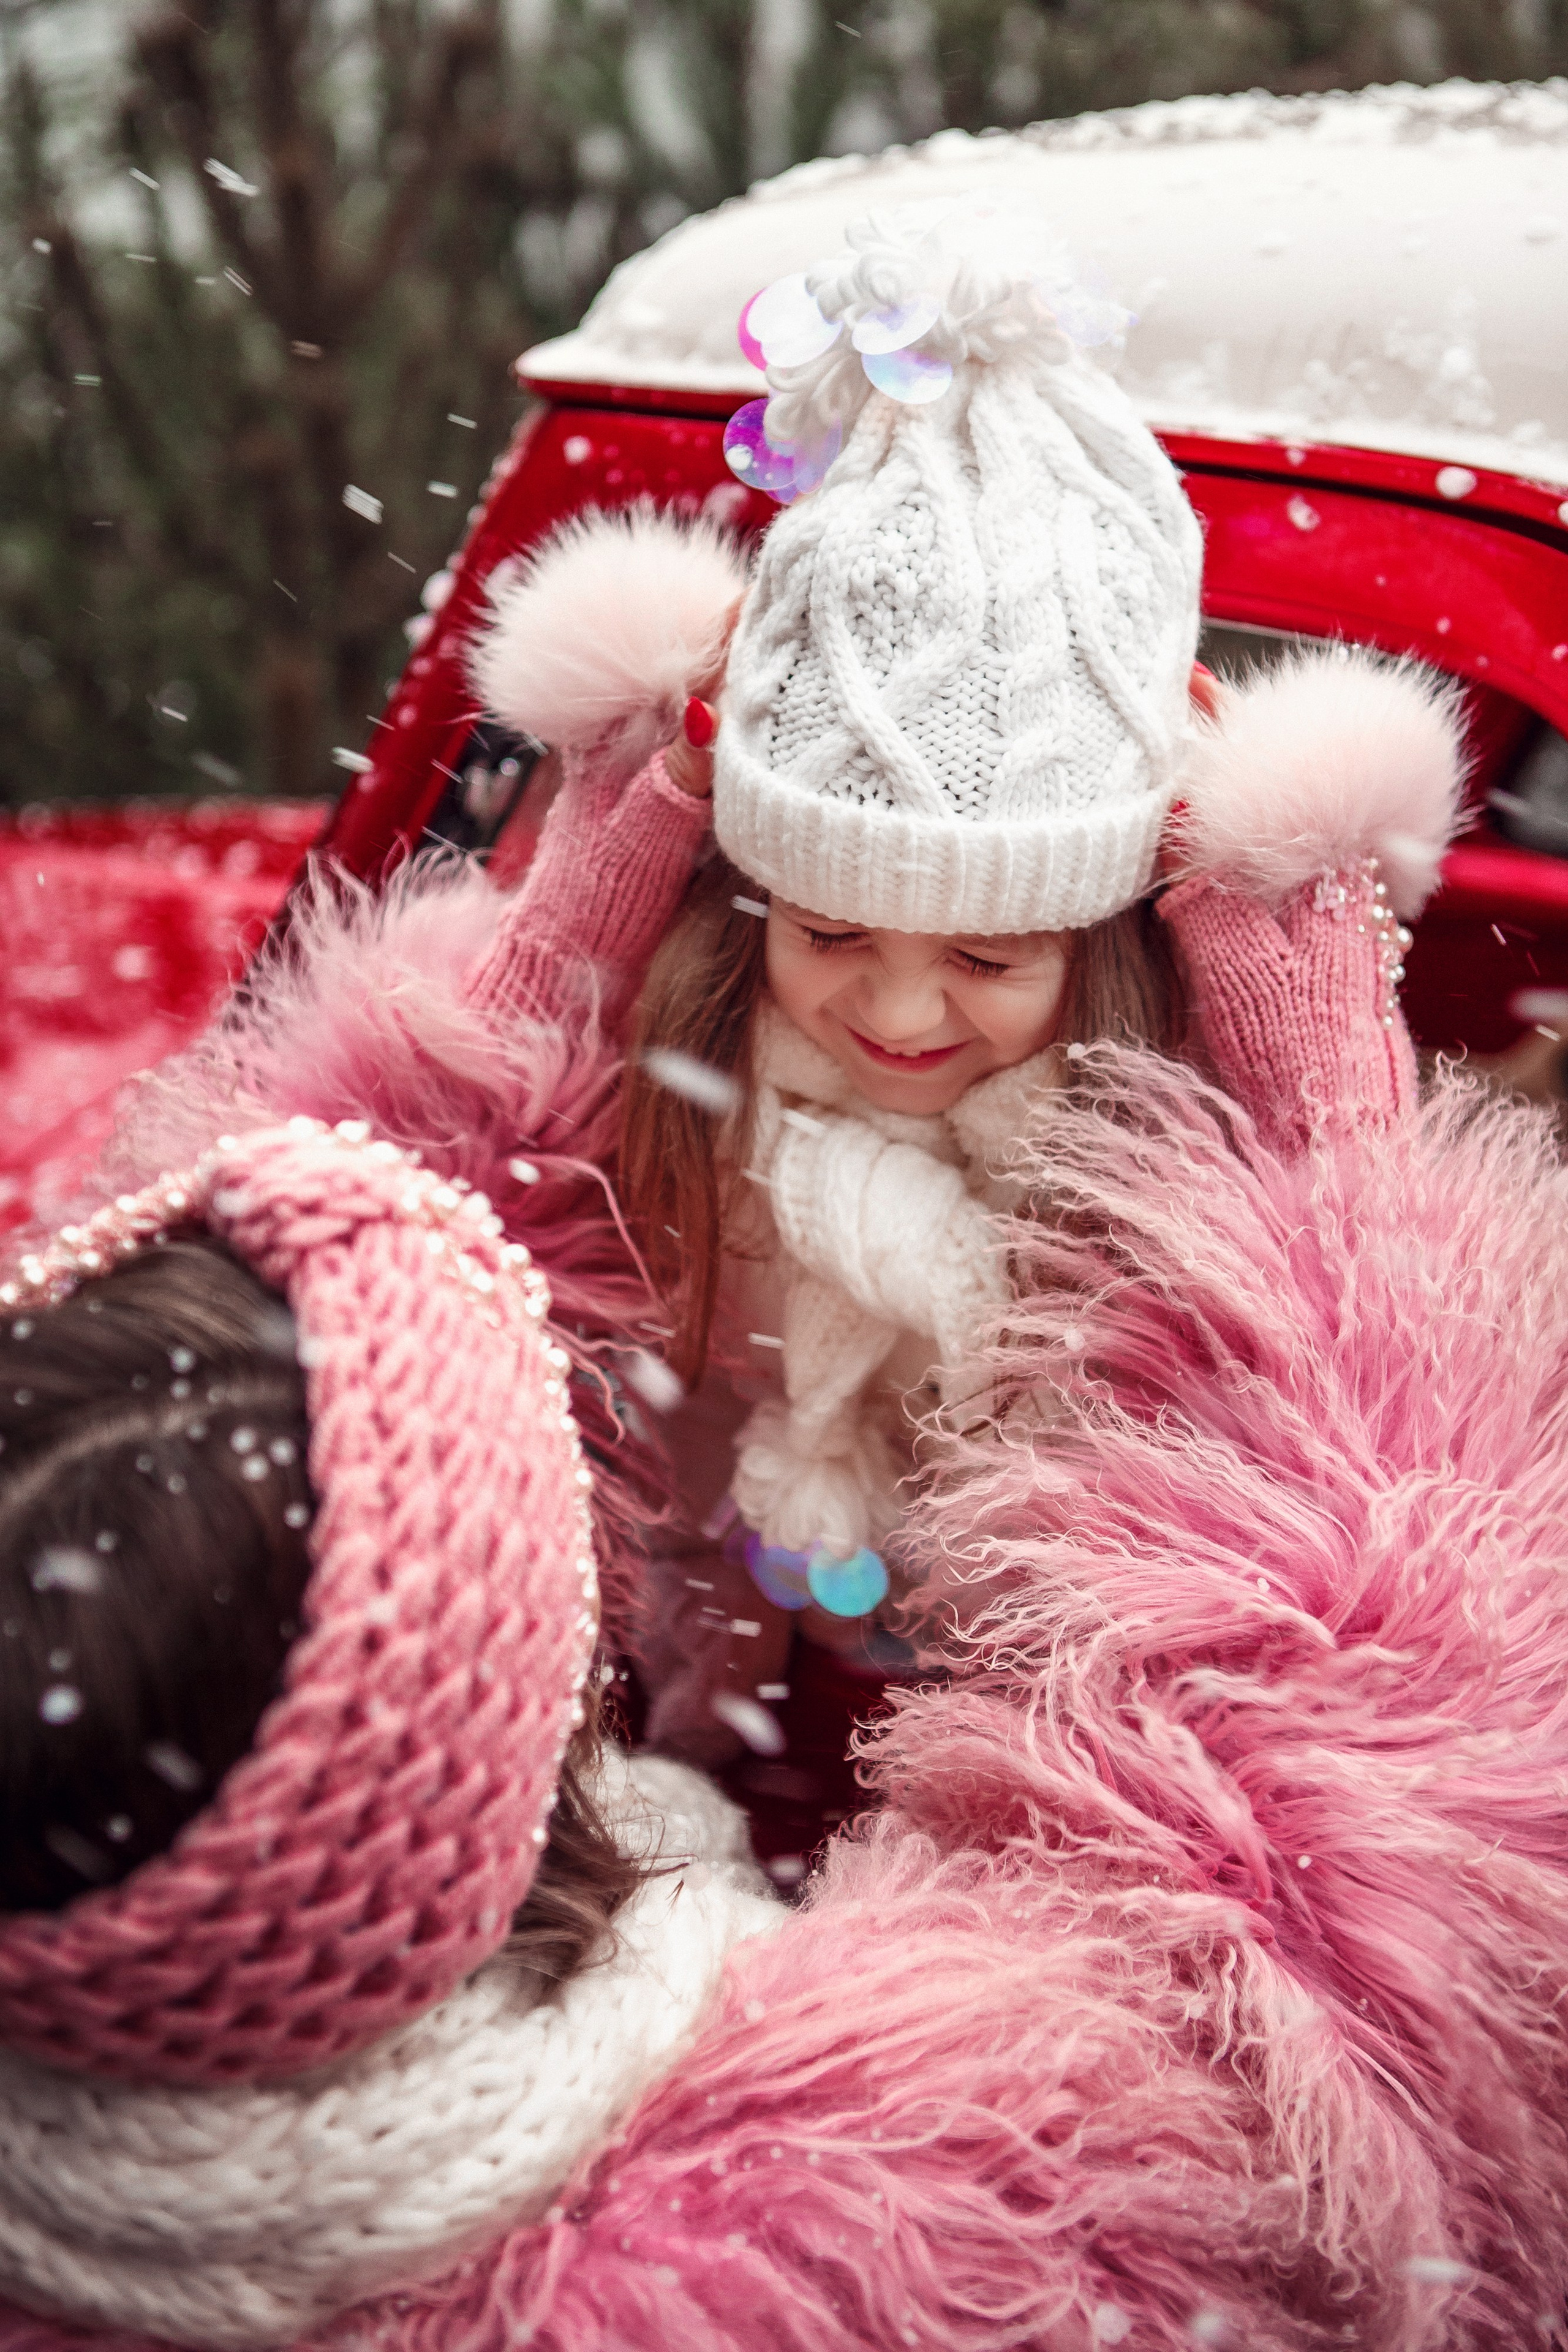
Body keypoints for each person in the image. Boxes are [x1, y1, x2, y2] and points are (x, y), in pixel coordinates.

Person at [470, 198, 1465, 1764]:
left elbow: (1383, 1415)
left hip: (1079, 1751)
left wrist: (1305, 1025)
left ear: (1100, 934)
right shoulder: (690, 1079)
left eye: (989, 958)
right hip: (702, 1705)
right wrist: (621, 838)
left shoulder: (1172, 1149)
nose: (897, 1015)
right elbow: (460, 1161)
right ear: (755, 903)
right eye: (827, 936)